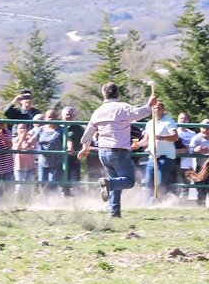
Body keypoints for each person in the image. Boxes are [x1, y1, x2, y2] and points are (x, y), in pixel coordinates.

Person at [77, 82, 157, 218]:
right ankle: (108, 184)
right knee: (128, 181)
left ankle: (114, 213)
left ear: (104, 94)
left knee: (116, 182)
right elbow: (139, 114)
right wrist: (150, 105)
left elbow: (88, 132)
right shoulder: (123, 108)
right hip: (119, 151)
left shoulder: (98, 111)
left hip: (103, 152)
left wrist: (85, 147)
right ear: (117, 93)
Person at [132, 101, 179, 202]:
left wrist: (162, 137)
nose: (156, 110)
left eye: (159, 108)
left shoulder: (168, 122)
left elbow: (175, 137)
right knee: (148, 181)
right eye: (155, 108)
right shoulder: (149, 124)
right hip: (152, 157)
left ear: (163, 110)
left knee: (160, 182)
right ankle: (149, 202)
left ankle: (160, 201)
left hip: (166, 157)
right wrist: (137, 145)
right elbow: (146, 140)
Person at [32, 110, 66, 195]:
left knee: (53, 183)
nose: (50, 118)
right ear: (45, 118)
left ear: (56, 118)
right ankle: (44, 202)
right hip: (43, 160)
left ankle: (52, 203)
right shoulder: (41, 129)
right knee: (42, 182)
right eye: (48, 117)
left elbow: (68, 140)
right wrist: (27, 143)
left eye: (52, 117)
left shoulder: (60, 130)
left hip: (56, 161)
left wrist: (70, 147)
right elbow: (32, 139)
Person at [189, 119, 209, 206]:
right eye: (203, 128)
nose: (205, 130)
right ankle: (200, 208)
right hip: (200, 167)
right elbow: (190, 150)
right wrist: (196, 150)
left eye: (208, 128)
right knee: (200, 191)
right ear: (200, 128)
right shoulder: (196, 137)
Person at [12, 122, 38, 202]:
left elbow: (34, 146)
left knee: (30, 186)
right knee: (19, 186)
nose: (23, 130)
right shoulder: (14, 140)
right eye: (20, 128)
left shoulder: (30, 138)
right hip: (19, 166)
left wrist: (29, 141)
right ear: (17, 130)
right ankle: (16, 202)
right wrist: (21, 138)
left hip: (30, 165)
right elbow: (16, 149)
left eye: (24, 128)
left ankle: (28, 202)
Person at [62, 107, 85, 197]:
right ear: (62, 115)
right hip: (61, 158)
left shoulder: (78, 128)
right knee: (63, 178)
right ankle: (64, 197)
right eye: (67, 114)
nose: (69, 116)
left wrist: (83, 150)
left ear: (74, 116)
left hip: (74, 157)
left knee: (75, 178)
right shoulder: (59, 126)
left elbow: (84, 140)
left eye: (71, 115)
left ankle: (76, 199)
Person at [174, 112, 197, 199]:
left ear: (188, 120)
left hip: (188, 161)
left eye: (185, 119)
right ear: (177, 120)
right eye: (181, 119)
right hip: (176, 160)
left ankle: (183, 200)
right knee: (176, 180)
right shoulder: (174, 132)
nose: (183, 121)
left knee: (186, 182)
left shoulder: (192, 134)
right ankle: (174, 199)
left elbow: (192, 147)